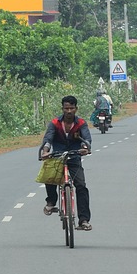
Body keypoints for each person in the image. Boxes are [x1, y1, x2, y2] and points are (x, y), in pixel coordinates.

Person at [39, 94, 93, 230]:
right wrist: (45, 151)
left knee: (81, 186)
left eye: (72, 108)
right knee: (49, 177)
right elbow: (48, 139)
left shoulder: (81, 123)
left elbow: (86, 138)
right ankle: (51, 202)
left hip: (74, 156)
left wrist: (85, 148)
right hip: (57, 156)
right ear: (62, 109)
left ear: (76, 109)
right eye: (66, 108)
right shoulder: (55, 123)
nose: (69, 111)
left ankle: (84, 220)